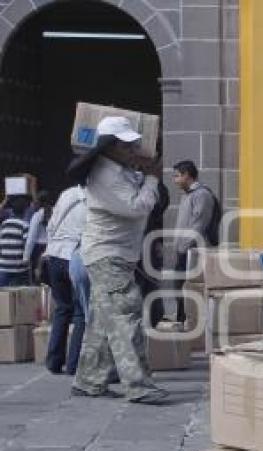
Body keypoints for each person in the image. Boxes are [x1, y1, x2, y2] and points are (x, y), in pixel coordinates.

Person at [70, 116, 168, 404]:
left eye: (133, 144)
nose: (132, 149)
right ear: (109, 146)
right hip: (107, 254)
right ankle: (139, 385)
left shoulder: (121, 170)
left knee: (102, 321)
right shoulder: (105, 174)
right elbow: (137, 207)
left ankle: (89, 381)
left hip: (116, 254)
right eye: (126, 145)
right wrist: (152, 177)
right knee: (126, 312)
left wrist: (144, 173)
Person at [43, 184, 87, 375]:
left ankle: (53, 361)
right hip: (75, 256)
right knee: (80, 314)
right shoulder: (96, 199)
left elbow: (51, 225)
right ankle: (74, 364)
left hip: (54, 255)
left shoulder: (66, 193)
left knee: (62, 309)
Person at [172, 160, 216, 323]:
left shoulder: (201, 195)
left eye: (177, 176)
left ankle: (190, 321)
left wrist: (184, 248)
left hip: (193, 252)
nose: (174, 180)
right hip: (184, 251)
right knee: (179, 287)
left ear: (187, 176)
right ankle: (183, 319)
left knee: (188, 288)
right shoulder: (188, 195)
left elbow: (198, 224)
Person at [137, 181, 170, 328]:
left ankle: (153, 318)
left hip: (144, 247)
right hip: (143, 246)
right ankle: (153, 318)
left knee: (148, 284)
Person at [0, 195, 31, 287]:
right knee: (21, 296)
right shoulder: (25, 226)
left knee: (2, 296)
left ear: (12, 210)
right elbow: (27, 246)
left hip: (3, 266)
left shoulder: (4, 224)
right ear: (25, 211)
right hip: (19, 268)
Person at [24, 191, 52, 282]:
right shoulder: (56, 212)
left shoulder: (37, 216)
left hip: (38, 250)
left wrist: (26, 257)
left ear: (39, 202)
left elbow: (31, 238)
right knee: (51, 280)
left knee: (39, 280)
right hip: (52, 248)